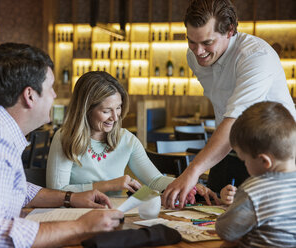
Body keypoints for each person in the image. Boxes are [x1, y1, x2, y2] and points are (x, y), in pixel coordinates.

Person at [0, 43, 124, 248]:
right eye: (50, 88)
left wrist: (70, 198)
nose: (54, 96)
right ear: (30, 95)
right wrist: (80, 227)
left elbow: (17, 189)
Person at [162, 0, 296, 209]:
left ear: (229, 31)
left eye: (207, 42)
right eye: (191, 41)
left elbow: (235, 120)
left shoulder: (255, 56)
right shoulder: (194, 57)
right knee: (209, 218)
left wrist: (192, 172)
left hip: (272, 158)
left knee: (259, 229)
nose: (198, 52)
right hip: (227, 150)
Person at [46, 71, 218, 204]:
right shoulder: (64, 138)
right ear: (86, 110)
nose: (115, 117)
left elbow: (155, 180)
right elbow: (56, 191)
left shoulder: (126, 139)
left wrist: (188, 185)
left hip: (112, 215)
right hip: (74, 215)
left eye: (118, 108)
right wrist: (108, 185)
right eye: (106, 111)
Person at [215, 101, 296, 247]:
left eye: (244, 159)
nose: (244, 164)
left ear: (264, 161)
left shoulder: (254, 188)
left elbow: (226, 231)